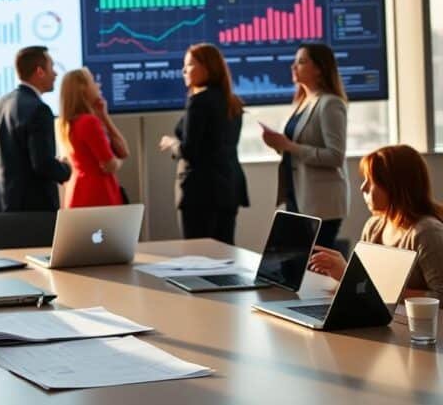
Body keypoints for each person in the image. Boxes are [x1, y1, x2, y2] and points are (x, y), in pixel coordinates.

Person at [309, 145, 443, 298]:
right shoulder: (374, 226)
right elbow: (364, 286)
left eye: (371, 181)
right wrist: (346, 277)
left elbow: (441, 297)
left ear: (394, 186)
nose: (362, 187)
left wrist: (349, 278)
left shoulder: (427, 232)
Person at [159, 43, 249, 245]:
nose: (184, 70)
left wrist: (171, 143)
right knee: (225, 257)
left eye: (190, 65)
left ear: (208, 68)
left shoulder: (198, 101)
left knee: (198, 259)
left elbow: (190, 151)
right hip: (228, 189)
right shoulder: (232, 102)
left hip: (199, 193)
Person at [261, 43, 349, 249]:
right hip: (297, 196)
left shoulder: (330, 104)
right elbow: (295, 148)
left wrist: (289, 146)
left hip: (321, 203)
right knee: (292, 264)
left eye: (301, 62)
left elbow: (335, 156)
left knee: (314, 266)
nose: (293, 67)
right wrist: (278, 145)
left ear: (319, 69)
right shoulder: (302, 102)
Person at [0, 46, 72, 213]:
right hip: (32, 212)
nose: (55, 74)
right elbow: (43, 164)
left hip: (0, 208)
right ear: (40, 71)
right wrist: (66, 168)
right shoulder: (38, 109)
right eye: (52, 68)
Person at [56, 68, 128, 208]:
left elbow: (123, 151)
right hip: (98, 195)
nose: (98, 85)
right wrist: (118, 161)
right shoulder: (89, 122)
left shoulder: (66, 124)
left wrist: (103, 117)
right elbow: (110, 164)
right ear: (83, 89)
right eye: (93, 82)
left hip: (77, 193)